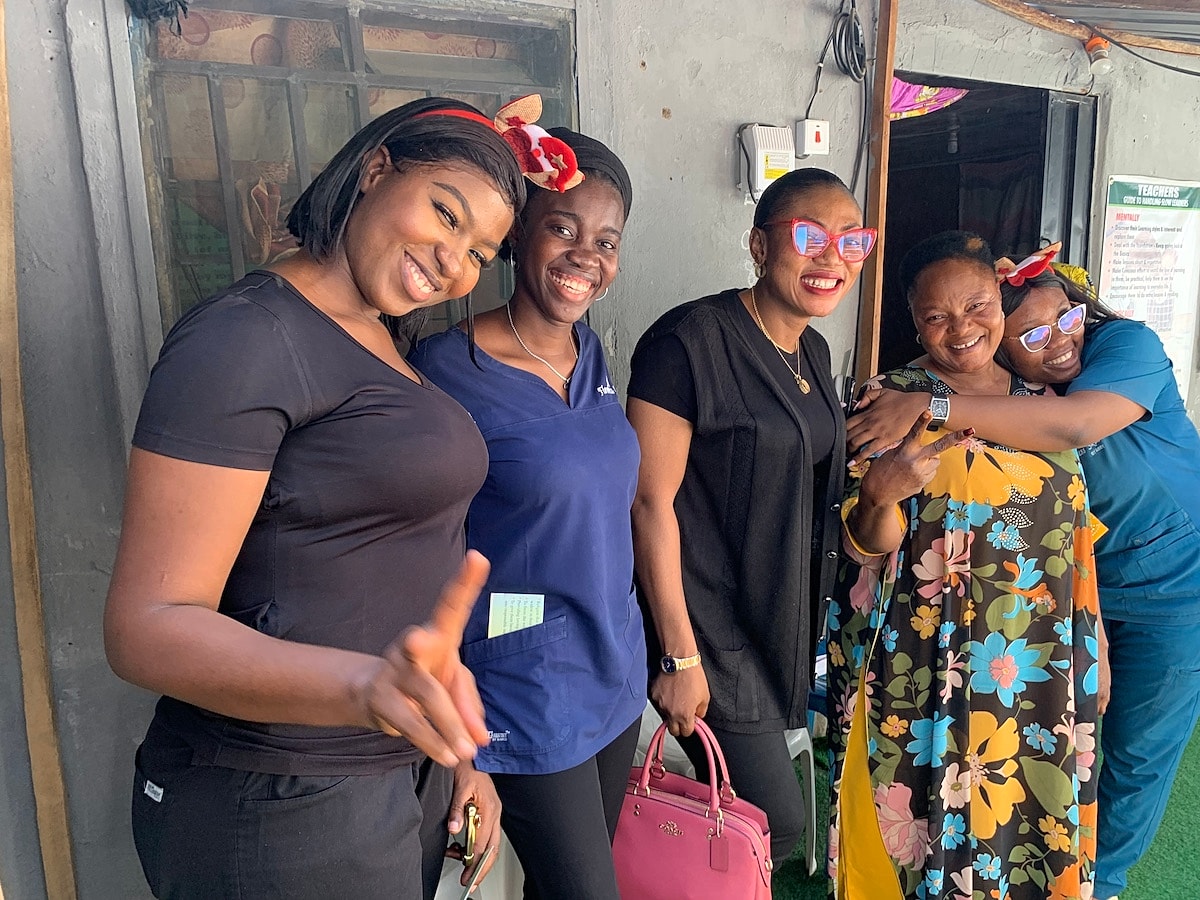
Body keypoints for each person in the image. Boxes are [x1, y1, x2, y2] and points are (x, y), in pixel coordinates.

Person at [103, 97, 535, 899]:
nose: (453, 262)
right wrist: (364, 688)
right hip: (277, 799)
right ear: (375, 169)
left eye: (480, 251)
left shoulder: (377, 333)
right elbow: (146, 630)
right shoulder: (245, 338)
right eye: (445, 213)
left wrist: (454, 756)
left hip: (383, 781)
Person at [847, 247, 1200, 900]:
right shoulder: (992, 393)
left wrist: (936, 402)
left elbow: (1074, 425)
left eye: (1065, 321)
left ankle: (1106, 887)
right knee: (965, 790)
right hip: (1015, 622)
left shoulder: (1120, 347)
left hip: (1177, 587)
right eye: (1032, 335)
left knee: (1130, 760)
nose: (1060, 342)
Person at [829, 231, 1100, 899]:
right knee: (920, 836)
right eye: (936, 317)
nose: (961, 330)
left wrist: (1096, 655)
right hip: (923, 664)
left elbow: (1074, 545)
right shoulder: (888, 402)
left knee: (1027, 826)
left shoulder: (1042, 404)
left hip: (1038, 665)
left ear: (1002, 304)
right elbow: (864, 546)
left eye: (977, 305)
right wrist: (882, 492)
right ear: (915, 323)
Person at [409, 129, 643, 900]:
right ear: (518, 236)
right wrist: (458, 745)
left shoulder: (592, 358)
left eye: (605, 241)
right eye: (563, 228)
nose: (586, 257)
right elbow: (422, 550)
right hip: (523, 680)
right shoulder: (450, 371)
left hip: (613, 670)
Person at [625, 167, 872, 865]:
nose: (833, 258)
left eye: (852, 240)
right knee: (774, 823)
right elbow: (649, 501)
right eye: (809, 236)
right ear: (760, 246)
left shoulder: (812, 350)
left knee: (750, 821)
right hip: (707, 622)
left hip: (775, 617)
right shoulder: (688, 343)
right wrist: (678, 653)